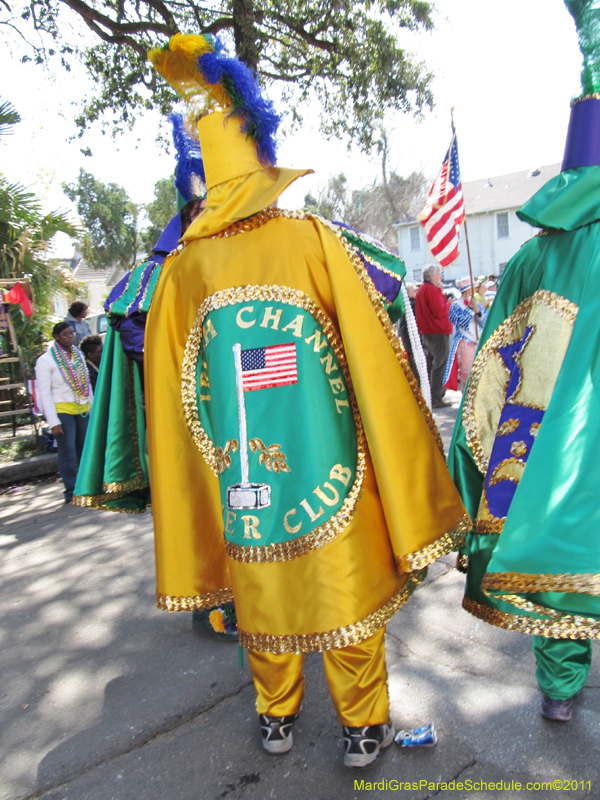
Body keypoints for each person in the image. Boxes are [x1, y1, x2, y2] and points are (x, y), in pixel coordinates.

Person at [146, 33, 469, 767]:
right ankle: (362, 725)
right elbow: (371, 358)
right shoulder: (315, 239)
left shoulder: (182, 272)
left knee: (262, 596)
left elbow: (174, 399)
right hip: (331, 469)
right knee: (344, 589)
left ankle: (276, 717)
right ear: (262, 157)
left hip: (242, 483)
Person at [448, 0, 600, 724]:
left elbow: (494, 371)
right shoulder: (535, 253)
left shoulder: (536, 254)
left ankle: (561, 689)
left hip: (555, 457)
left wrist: (471, 460)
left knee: (558, 570)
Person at [36, 322, 93, 503]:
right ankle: (71, 490)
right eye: (65, 334)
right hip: (62, 409)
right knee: (67, 451)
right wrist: (53, 422)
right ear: (56, 337)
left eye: (72, 333)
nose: (70, 336)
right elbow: (44, 393)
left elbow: (86, 385)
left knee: (84, 449)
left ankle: (87, 486)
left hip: (82, 407)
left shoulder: (79, 356)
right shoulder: (46, 360)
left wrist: (93, 408)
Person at [415, 264, 452, 407]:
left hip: (428, 331)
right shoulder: (430, 290)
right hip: (437, 331)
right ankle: (436, 396)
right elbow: (439, 311)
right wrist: (449, 304)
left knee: (432, 362)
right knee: (440, 363)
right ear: (432, 276)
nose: (441, 276)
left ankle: (430, 395)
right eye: (439, 274)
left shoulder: (423, 289)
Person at [443, 284, 488, 393]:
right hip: (464, 343)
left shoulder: (477, 304)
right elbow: (459, 321)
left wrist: (478, 311)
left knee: (481, 373)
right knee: (467, 374)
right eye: (474, 287)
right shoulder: (455, 306)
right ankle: (466, 401)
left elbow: (485, 321)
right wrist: (470, 309)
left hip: (478, 343)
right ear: (467, 289)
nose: (476, 289)